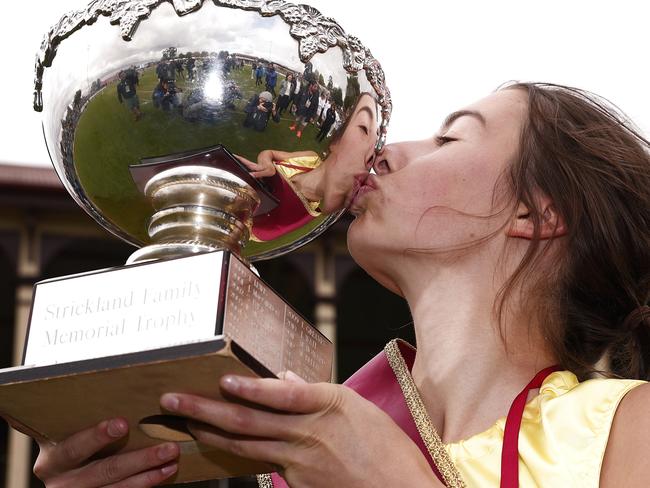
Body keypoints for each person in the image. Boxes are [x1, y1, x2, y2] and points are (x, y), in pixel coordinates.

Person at [31, 83, 650, 488]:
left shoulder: (623, 429)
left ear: (536, 214)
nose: (385, 153)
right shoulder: (288, 464)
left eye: (450, 136)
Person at [238, 94, 378, 241]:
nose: (371, 161)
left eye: (375, 151)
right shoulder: (310, 158)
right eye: (364, 128)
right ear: (336, 141)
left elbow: (251, 232)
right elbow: (269, 153)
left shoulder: (307, 217)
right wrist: (266, 164)